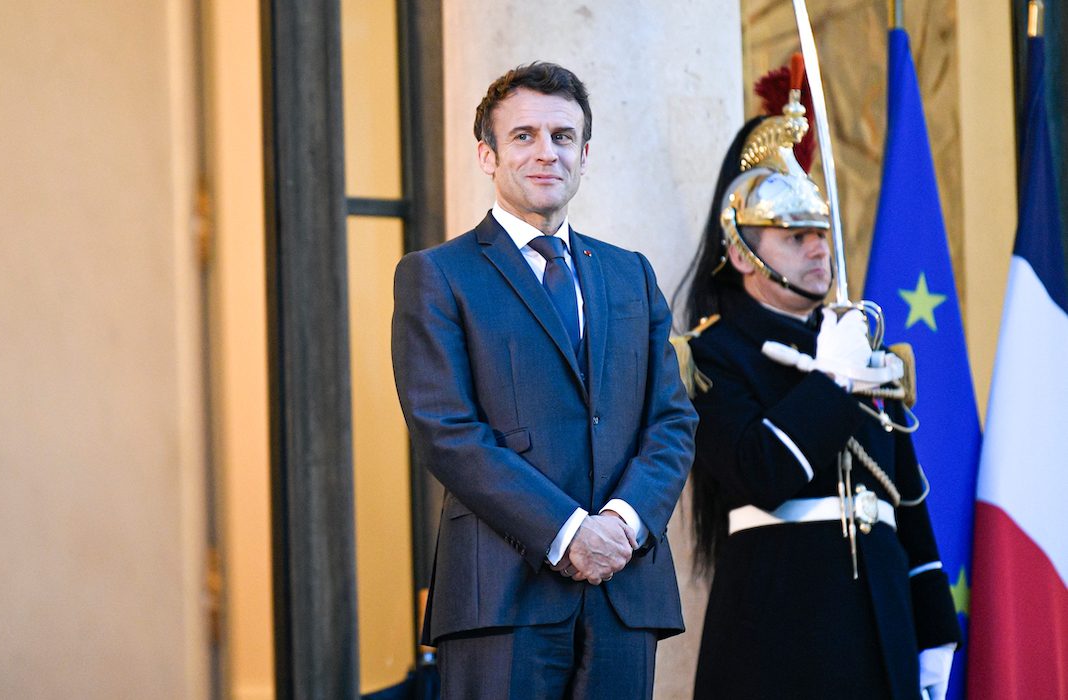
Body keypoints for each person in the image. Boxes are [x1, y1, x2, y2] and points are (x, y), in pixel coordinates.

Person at [391, 62, 697, 699]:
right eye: (523, 135)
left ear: (585, 154)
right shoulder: (437, 275)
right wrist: (566, 533)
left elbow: (671, 420)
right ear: (487, 154)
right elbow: (447, 432)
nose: (545, 152)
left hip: (623, 589)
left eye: (562, 136)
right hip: (502, 596)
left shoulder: (630, 274)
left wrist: (622, 523)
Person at [678, 81, 961, 699]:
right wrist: (834, 383)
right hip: (780, 626)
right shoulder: (708, 356)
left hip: (882, 620)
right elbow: (761, 472)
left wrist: (935, 626)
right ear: (743, 254)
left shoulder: (859, 347)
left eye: (820, 231)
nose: (817, 248)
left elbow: (903, 498)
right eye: (794, 235)